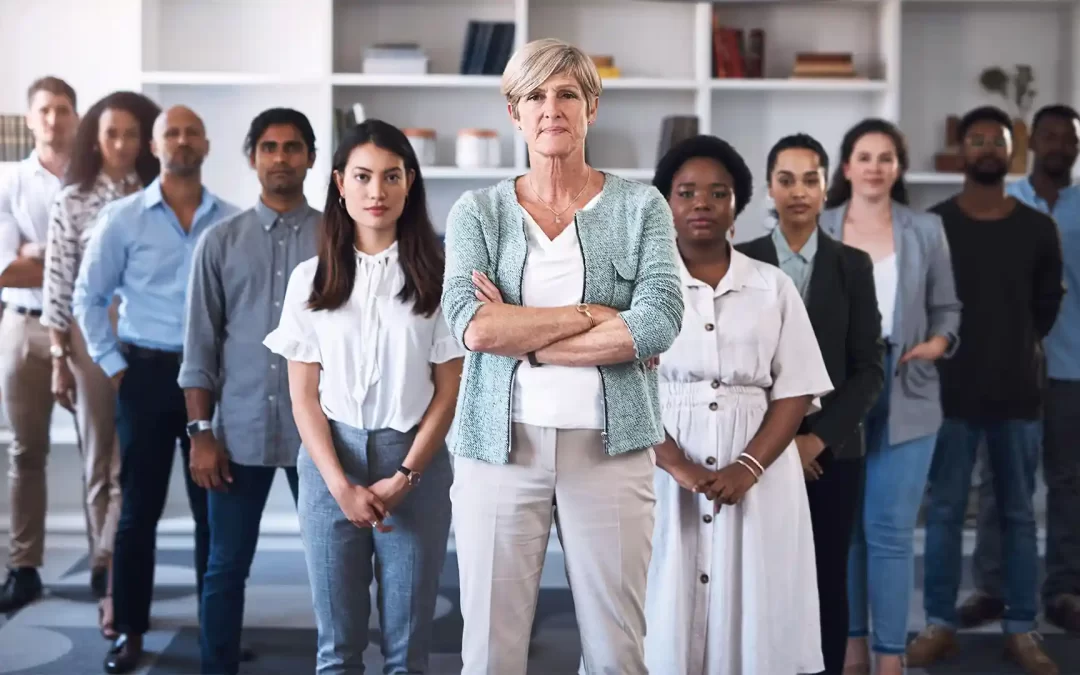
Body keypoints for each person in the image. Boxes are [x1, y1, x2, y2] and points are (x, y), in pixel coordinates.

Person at [441, 38, 684, 675]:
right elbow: (474, 326)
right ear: (515, 114)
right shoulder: (479, 211)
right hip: (500, 450)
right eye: (536, 96)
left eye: (568, 94)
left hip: (611, 450)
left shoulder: (641, 207)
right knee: (490, 651)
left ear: (591, 108)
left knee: (617, 650)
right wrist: (596, 316)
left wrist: (527, 337)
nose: (553, 108)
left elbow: (658, 321)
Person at [264, 119, 462, 674]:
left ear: (409, 184)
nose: (377, 191)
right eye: (363, 176)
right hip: (332, 463)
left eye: (391, 177)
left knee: (407, 651)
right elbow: (303, 398)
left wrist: (405, 477)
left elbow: (449, 392)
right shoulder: (311, 278)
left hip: (414, 464)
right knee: (337, 648)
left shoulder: (439, 276)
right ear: (339, 183)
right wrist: (339, 487)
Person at [644, 134, 833, 675]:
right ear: (667, 203)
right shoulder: (639, 289)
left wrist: (749, 467)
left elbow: (795, 387)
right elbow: (622, 385)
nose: (701, 203)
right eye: (686, 192)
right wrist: (675, 461)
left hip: (760, 469)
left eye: (717, 192)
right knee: (660, 596)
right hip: (660, 466)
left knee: (755, 605)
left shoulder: (773, 288)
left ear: (737, 205)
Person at [72, 105, 239, 674]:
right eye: (173, 132)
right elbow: (87, 299)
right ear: (155, 144)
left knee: (212, 512)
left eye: (193, 131)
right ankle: (131, 632)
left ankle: (217, 635)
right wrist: (116, 368)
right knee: (138, 512)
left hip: (210, 382)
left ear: (207, 144)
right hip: (143, 374)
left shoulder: (231, 220)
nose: (183, 140)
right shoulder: (123, 218)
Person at [906, 105, 1063, 675]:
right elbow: (923, 308)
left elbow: (1044, 310)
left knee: (1021, 515)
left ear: (1010, 152)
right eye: (976, 140)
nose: (987, 149)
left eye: (997, 141)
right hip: (947, 398)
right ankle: (940, 625)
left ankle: (1022, 630)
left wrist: (1011, 347)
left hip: (1019, 395)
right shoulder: (933, 224)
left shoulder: (1036, 228)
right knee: (944, 512)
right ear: (963, 152)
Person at [818, 118, 962, 675]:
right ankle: (851, 648)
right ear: (847, 166)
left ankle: (889, 657)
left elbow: (949, 306)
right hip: (838, 396)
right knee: (846, 530)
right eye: (865, 156)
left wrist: (937, 343)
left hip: (909, 388)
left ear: (897, 168)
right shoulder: (821, 226)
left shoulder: (924, 229)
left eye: (886, 157)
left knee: (891, 531)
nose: (875, 166)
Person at [738, 132, 885, 675]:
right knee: (760, 573)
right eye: (786, 179)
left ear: (827, 188)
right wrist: (778, 445)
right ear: (768, 190)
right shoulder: (741, 261)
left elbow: (869, 370)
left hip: (833, 453)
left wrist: (815, 441)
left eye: (810, 179)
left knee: (827, 576)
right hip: (755, 449)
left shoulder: (853, 266)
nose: (798, 191)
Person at [180, 108, 320, 675]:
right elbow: (199, 351)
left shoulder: (341, 236)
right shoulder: (219, 243)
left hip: (322, 439)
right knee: (224, 566)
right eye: (268, 147)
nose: (280, 158)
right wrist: (201, 433)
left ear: (311, 157)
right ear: (252, 158)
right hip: (236, 436)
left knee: (338, 568)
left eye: (291, 147)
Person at [41, 90, 161, 638]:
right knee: (99, 461)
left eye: (131, 135)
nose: (120, 145)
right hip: (90, 339)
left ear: (145, 141)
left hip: (146, 339)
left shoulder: (160, 195)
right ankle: (104, 560)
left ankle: (118, 567)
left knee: (130, 462)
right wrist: (60, 359)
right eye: (111, 134)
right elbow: (58, 284)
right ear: (97, 139)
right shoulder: (72, 200)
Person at [962, 104, 1080, 636]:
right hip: (1006, 367)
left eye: (1069, 138)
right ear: (1031, 143)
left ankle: (1064, 590)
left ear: (1077, 147)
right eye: (1050, 135)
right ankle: (991, 588)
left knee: (1067, 482)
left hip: (1072, 369)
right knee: (999, 482)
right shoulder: (1003, 204)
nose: (1059, 144)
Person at [0, 75, 78, 613]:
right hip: (23, 328)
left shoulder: (96, 180)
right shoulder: (8, 181)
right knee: (26, 452)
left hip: (86, 330)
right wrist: (64, 254)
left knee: (105, 458)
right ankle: (24, 567)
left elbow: (100, 268)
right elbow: (4, 270)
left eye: (64, 110)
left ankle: (107, 568)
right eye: (45, 110)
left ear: (76, 117)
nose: (54, 119)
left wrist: (38, 249)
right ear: (30, 119)